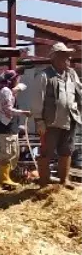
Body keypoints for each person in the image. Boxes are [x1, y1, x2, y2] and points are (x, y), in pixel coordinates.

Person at [32, 42, 82, 188]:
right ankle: (44, 182)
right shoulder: (44, 76)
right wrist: (39, 120)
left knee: (66, 151)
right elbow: (37, 99)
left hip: (69, 119)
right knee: (46, 152)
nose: (67, 59)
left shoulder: (72, 74)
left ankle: (64, 180)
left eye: (68, 56)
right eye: (63, 56)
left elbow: (79, 92)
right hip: (50, 122)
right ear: (54, 57)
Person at [0, 69, 31, 188]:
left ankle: (6, 176)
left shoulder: (6, 90)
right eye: (17, 79)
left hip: (9, 125)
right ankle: (4, 178)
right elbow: (8, 110)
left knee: (13, 152)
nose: (18, 81)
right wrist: (23, 112)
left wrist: (17, 89)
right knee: (8, 152)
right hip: (5, 125)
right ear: (12, 80)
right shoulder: (6, 91)